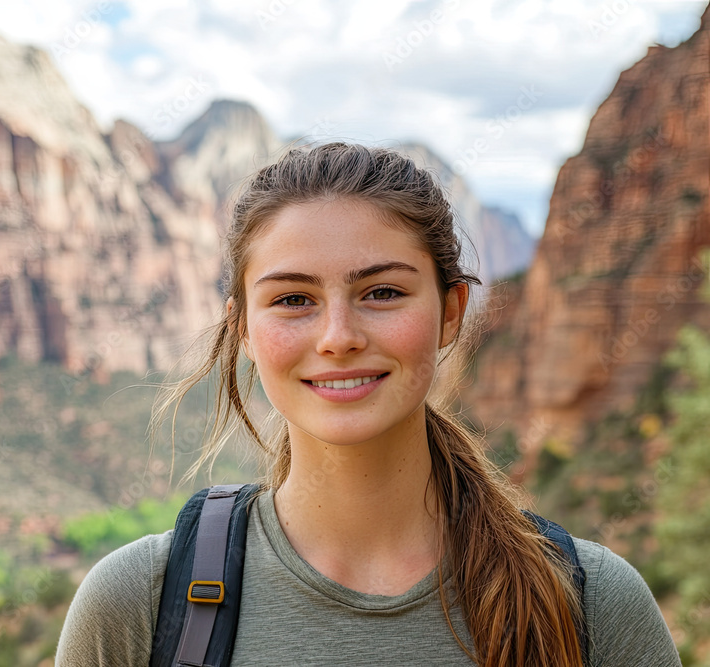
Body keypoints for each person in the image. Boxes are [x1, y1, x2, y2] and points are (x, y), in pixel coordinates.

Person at [55, 142, 682, 666]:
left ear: (451, 312)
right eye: (293, 300)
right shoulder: (138, 604)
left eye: (382, 291)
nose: (338, 337)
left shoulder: (592, 605)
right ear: (242, 328)